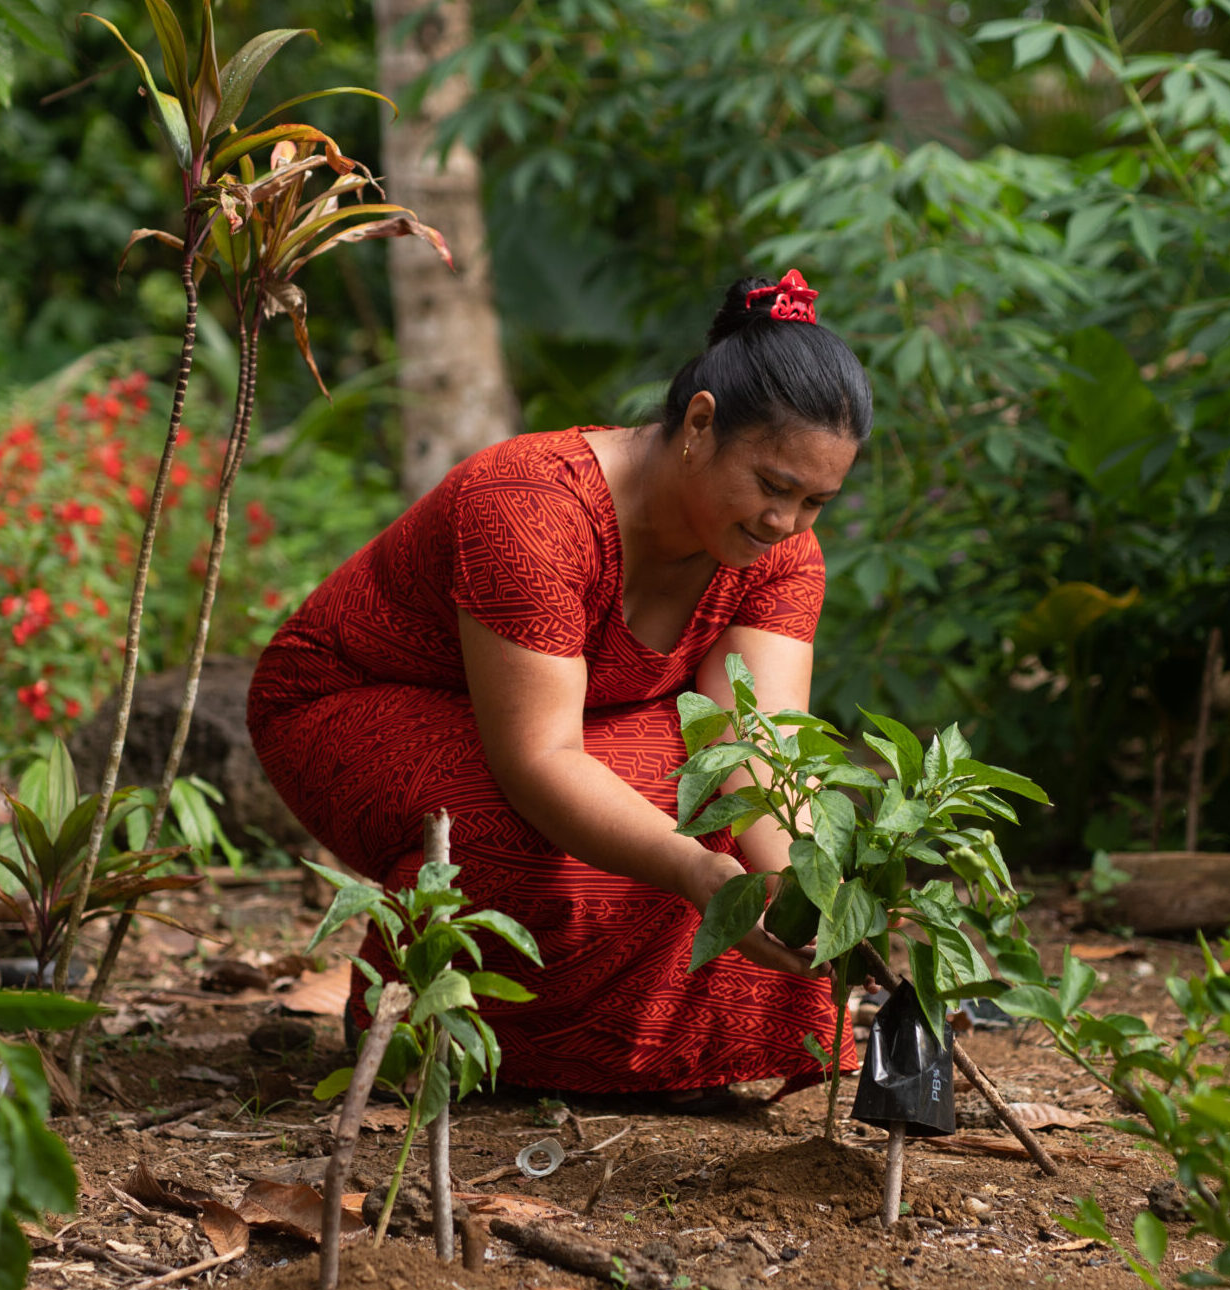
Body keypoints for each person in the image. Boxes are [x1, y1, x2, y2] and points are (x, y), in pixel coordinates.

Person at [247, 270, 871, 1106]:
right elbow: (539, 759)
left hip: (582, 721)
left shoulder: (781, 556)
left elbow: (752, 743)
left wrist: (813, 891)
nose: (784, 523)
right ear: (699, 424)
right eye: (772, 485)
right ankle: (420, 1031)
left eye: (816, 502)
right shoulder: (533, 506)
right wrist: (695, 872)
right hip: (351, 703)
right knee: (530, 823)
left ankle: (651, 1063)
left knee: (706, 814)